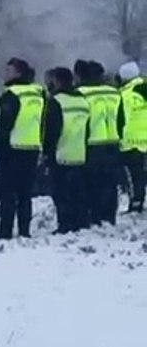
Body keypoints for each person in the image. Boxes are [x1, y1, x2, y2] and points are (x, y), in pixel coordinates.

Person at [0, 58, 43, 239]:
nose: (5, 73)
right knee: (25, 193)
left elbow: (5, 125)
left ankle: (5, 230)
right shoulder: (38, 93)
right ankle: (24, 230)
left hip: (11, 149)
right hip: (32, 148)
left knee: (7, 192)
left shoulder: (10, 95)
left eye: (8, 70)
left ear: (18, 73)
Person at [42, 66, 88, 235]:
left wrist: (46, 152)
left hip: (61, 153)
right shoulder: (82, 100)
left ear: (57, 81)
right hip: (80, 153)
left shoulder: (56, 101)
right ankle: (81, 222)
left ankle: (65, 224)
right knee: (78, 192)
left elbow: (52, 130)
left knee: (61, 193)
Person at [76, 60, 121, 227]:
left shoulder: (82, 93)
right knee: (110, 183)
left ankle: (95, 216)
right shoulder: (114, 93)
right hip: (114, 142)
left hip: (92, 143)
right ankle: (109, 216)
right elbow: (121, 118)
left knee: (92, 183)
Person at [117, 61, 147, 213]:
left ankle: (136, 203)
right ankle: (138, 201)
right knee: (140, 174)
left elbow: (121, 119)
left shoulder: (125, 95)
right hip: (145, 140)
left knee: (134, 176)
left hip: (130, 141)